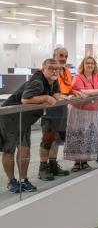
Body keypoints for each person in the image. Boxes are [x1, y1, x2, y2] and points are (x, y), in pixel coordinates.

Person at [1, 58, 62, 193]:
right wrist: (46, 98)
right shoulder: (37, 82)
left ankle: (24, 180)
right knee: (9, 150)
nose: (54, 71)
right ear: (43, 69)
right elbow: (25, 99)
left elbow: (56, 93)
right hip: (10, 118)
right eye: (51, 68)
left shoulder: (53, 80)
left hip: (25, 118)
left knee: (24, 150)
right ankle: (11, 182)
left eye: (57, 68)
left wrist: (58, 96)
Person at [64, 56, 98, 172]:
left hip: (94, 110)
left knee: (89, 135)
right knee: (78, 134)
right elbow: (80, 92)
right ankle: (76, 162)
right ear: (83, 65)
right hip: (78, 111)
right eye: (87, 63)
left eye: (92, 63)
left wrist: (95, 92)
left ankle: (85, 161)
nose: (90, 65)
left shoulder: (97, 76)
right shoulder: (78, 77)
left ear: (95, 65)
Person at [39, 48, 76, 181]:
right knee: (47, 140)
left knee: (57, 140)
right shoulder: (48, 72)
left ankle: (53, 164)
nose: (63, 58)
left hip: (62, 109)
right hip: (50, 110)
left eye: (66, 56)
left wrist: (76, 92)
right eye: (61, 55)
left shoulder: (66, 71)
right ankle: (43, 167)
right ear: (54, 55)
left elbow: (68, 89)